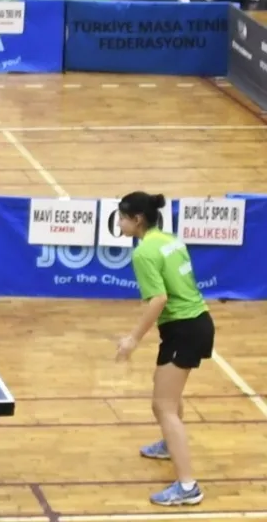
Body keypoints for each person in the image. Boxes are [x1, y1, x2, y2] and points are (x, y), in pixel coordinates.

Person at [114, 191, 213, 507]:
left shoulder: (144, 253)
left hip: (184, 330)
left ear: (137, 219)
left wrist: (133, 339)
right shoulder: (170, 240)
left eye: (122, 217)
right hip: (196, 322)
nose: (119, 222)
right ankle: (170, 445)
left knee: (163, 407)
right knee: (167, 393)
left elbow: (158, 299)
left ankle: (188, 487)